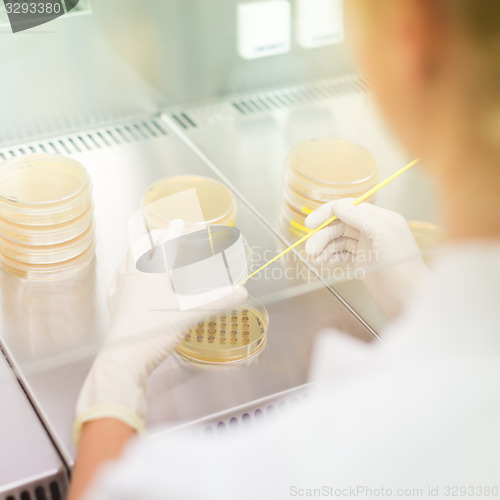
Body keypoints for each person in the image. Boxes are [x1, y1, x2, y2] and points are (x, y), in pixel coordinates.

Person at [68, 0, 500, 498]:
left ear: (413, 36)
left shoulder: (313, 465)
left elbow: (106, 490)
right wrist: (418, 300)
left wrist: (114, 376)